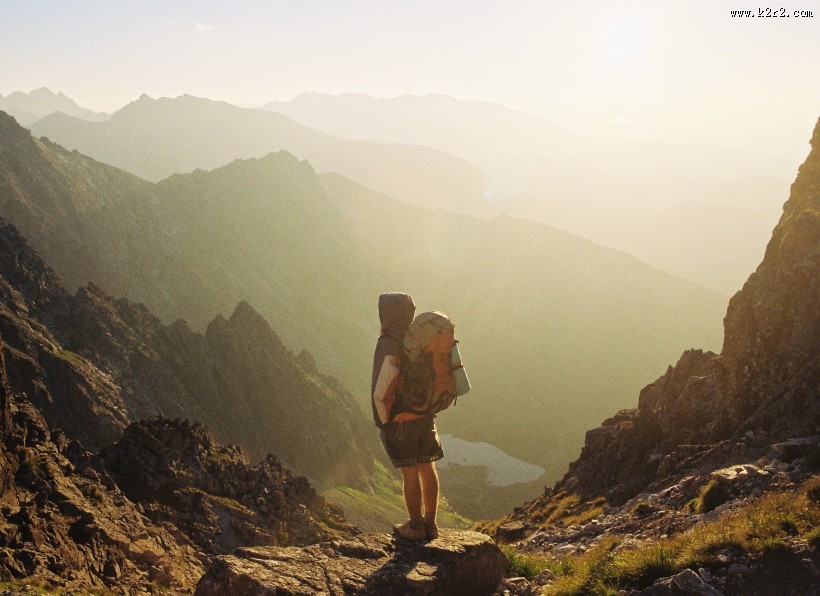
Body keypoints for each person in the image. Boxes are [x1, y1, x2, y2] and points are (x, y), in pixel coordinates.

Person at [371, 292, 444, 541]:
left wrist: (383, 421)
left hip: (401, 421)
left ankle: (414, 527)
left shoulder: (388, 342)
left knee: (410, 473)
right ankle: (431, 524)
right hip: (426, 416)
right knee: (428, 466)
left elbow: (382, 387)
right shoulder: (420, 338)